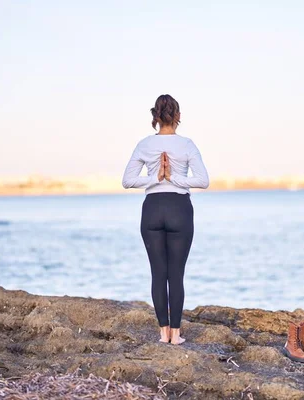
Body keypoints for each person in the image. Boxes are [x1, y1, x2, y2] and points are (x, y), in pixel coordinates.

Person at [122, 94, 209, 345]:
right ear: (178, 116)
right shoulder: (187, 145)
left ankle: (163, 334)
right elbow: (202, 180)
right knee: (176, 275)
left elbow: (127, 181)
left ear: (155, 117)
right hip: (179, 208)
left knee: (158, 274)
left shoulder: (144, 145)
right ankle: (176, 335)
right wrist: (173, 179)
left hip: (152, 209)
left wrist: (156, 179)